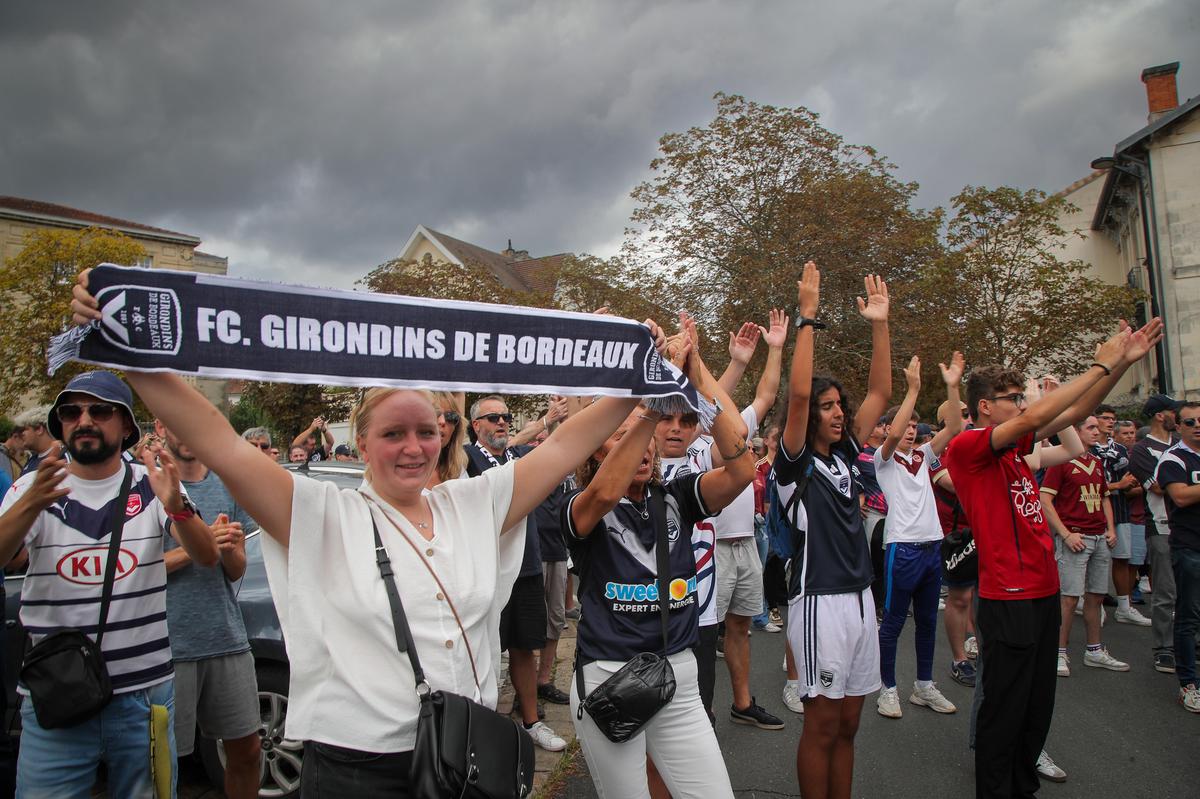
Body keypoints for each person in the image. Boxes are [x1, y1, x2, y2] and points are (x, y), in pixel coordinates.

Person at [71, 270, 670, 795]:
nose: (412, 448)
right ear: (361, 443)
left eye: (425, 432)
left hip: (465, 755)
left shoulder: (475, 502)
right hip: (358, 767)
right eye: (392, 434)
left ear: (443, 436)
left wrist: (636, 381)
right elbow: (219, 440)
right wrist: (126, 351)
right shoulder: (320, 513)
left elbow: (567, 444)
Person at [943, 317, 1161, 799]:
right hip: (1008, 597)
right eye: (1013, 397)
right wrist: (1100, 360)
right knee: (1005, 709)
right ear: (985, 406)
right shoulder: (968, 446)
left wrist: (1119, 365)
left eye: (1022, 396)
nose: (1022, 404)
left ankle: (1023, 787)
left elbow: (1070, 415)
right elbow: (1038, 419)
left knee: (1036, 707)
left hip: (1042, 593)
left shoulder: (1016, 449)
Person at [0, 371, 221, 798]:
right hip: (56, 697)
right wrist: (30, 505)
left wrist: (175, 506)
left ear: (125, 426)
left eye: (100, 411)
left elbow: (207, 555)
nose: (84, 420)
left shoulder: (151, 482)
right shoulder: (32, 487)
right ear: (60, 424)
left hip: (145, 697)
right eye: (71, 412)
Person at [565, 313, 753, 798]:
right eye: (622, 435)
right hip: (610, 678)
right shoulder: (580, 506)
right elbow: (606, 492)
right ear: (595, 450)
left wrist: (697, 369)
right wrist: (647, 404)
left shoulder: (677, 495)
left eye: (644, 436)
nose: (643, 447)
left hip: (678, 674)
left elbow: (740, 468)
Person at [780, 265, 892, 799]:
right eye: (827, 408)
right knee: (821, 726)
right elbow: (798, 395)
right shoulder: (793, 463)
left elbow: (880, 389)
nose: (837, 414)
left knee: (849, 725)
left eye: (838, 407)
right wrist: (807, 317)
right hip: (819, 601)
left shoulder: (848, 454)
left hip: (861, 598)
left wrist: (880, 325)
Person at [155, 419, 262, 799]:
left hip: (226, 636)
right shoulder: (148, 485)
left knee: (248, 751)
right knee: (166, 763)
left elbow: (235, 571)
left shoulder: (225, 484)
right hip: (168, 645)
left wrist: (230, 549)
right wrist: (201, 545)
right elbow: (134, 567)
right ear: (160, 426)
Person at [465, 395, 567, 752]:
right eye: (493, 418)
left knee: (525, 647)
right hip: (484, 572)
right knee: (484, 652)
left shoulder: (521, 456)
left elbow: (561, 445)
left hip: (525, 569)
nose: (502, 422)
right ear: (475, 425)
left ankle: (531, 722)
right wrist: (541, 421)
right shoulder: (468, 457)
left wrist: (558, 417)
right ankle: (484, 728)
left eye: (506, 416)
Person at [873, 352, 964, 720]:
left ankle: (923, 686)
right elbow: (893, 434)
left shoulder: (925, 456)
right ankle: (887, 688)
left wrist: (953, 387)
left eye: (915, 424)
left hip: (931, 548)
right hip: (902, 548)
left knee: (927, 621)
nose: (910, 429)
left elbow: (954, 427)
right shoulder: (884, 458)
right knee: (894, 622)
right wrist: (912, 389)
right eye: (904, 424)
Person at [1043, 416, 1130, 676]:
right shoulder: (1059, 462)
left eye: (1096, 427)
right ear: (1075, 432)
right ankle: (1059, 653)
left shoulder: (1095, 462)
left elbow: (1104, 498)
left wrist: (1110, 529)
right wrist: (1066, 534)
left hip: (1099, 537)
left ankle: (1095, 650)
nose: (1097, 431)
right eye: (1090, 428)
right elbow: (1045, 499)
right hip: (1076, 538)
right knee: (1068, 599)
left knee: (1096, 596)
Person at [1152, 400, 1200, 713]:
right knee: (1188, 616)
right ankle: (1189, 684)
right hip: (1190, 547)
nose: (1198, 426)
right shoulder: (1174, 458)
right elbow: (1180, 496)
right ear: (1179, 426)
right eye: (1191, 422)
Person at [1129, 394, 1180, 674]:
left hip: (1189, 528)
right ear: (1161, 415)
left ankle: (1189, 641)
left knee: (1191, 590)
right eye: (1175, 411)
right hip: (1160, 525)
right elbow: (1159, 487)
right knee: (1165, 591)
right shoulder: (1142, 450)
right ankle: (1164, 647)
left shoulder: (1184, 445)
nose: (1180, 416)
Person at [1093, 405, 1150, 625]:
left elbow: (1130, 480)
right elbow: (1088, 486)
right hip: (1095, 510)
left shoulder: (1120, 449)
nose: (1109, 421)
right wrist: (1118, 484)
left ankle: (1125, 607)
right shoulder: (1088, 448)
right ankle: (1091, 604)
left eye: (1112, 418)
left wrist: (1127, 485)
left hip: (1120, 509)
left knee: (1123, 558)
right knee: (1094, 560)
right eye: (1105, 418)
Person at [427, 391, 467, 489]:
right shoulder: (398, 469)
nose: (442, 421)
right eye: (435, 413)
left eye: (451, 416)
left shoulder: (458, 471)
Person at [14, 406, 56, 477]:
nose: (21, 434)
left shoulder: (64, 457)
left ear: (39, 429)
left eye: (24, 429)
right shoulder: (31, 460)